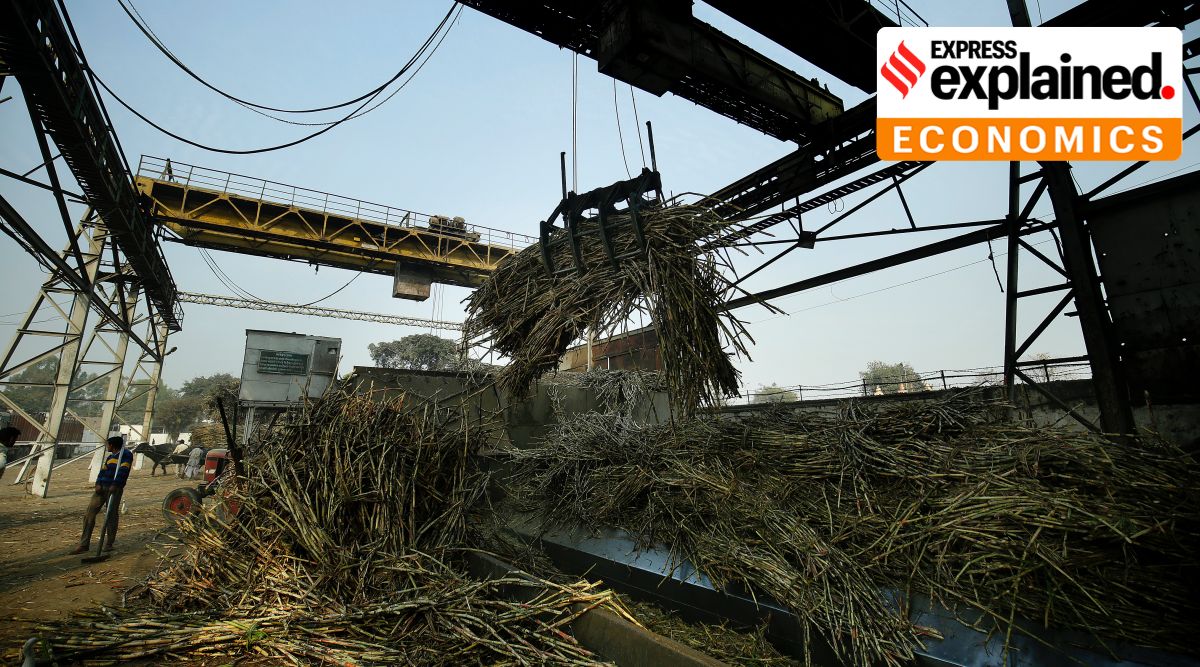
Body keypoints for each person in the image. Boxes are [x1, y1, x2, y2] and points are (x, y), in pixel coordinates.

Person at [71, 436, 133, 554]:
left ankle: (109, 544)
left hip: (114, 489)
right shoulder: (110, 457)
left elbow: (123, 471)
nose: (106, 447)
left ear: (112, 445)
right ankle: (84, 544)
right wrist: (98, 483)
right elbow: (103, 471)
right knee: (89, 514)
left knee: (111, 515)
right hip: (102, 489)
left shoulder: (126, 455)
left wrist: (115, 484)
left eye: (108, 445)